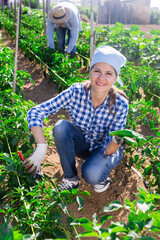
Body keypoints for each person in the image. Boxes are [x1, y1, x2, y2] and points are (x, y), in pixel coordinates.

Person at [22, 45, 129, 193]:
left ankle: (100, 174)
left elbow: (112, 143)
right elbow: (35, 112)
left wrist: (116, 144)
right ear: (90, 71)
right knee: (61, 127)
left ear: (115, 78)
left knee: (91, 174)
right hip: (83, 144)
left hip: (106, 149)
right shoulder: (76, 92)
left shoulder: (120, 103)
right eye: (97, 71)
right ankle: (70, 178)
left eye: (108, 73)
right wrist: (41, 146)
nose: (101, 78)